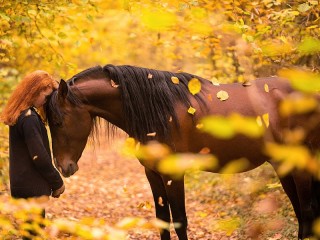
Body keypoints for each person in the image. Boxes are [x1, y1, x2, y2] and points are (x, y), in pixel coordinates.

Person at [0, 70, 65, 237]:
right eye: (46, 96)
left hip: (23, 185)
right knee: (32, 234)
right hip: (32, 188)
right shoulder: (29, 118)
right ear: (34, 91)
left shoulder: (22, 115)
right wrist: (57, 182)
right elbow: (39, 157)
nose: (46, 102)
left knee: (29, 233)